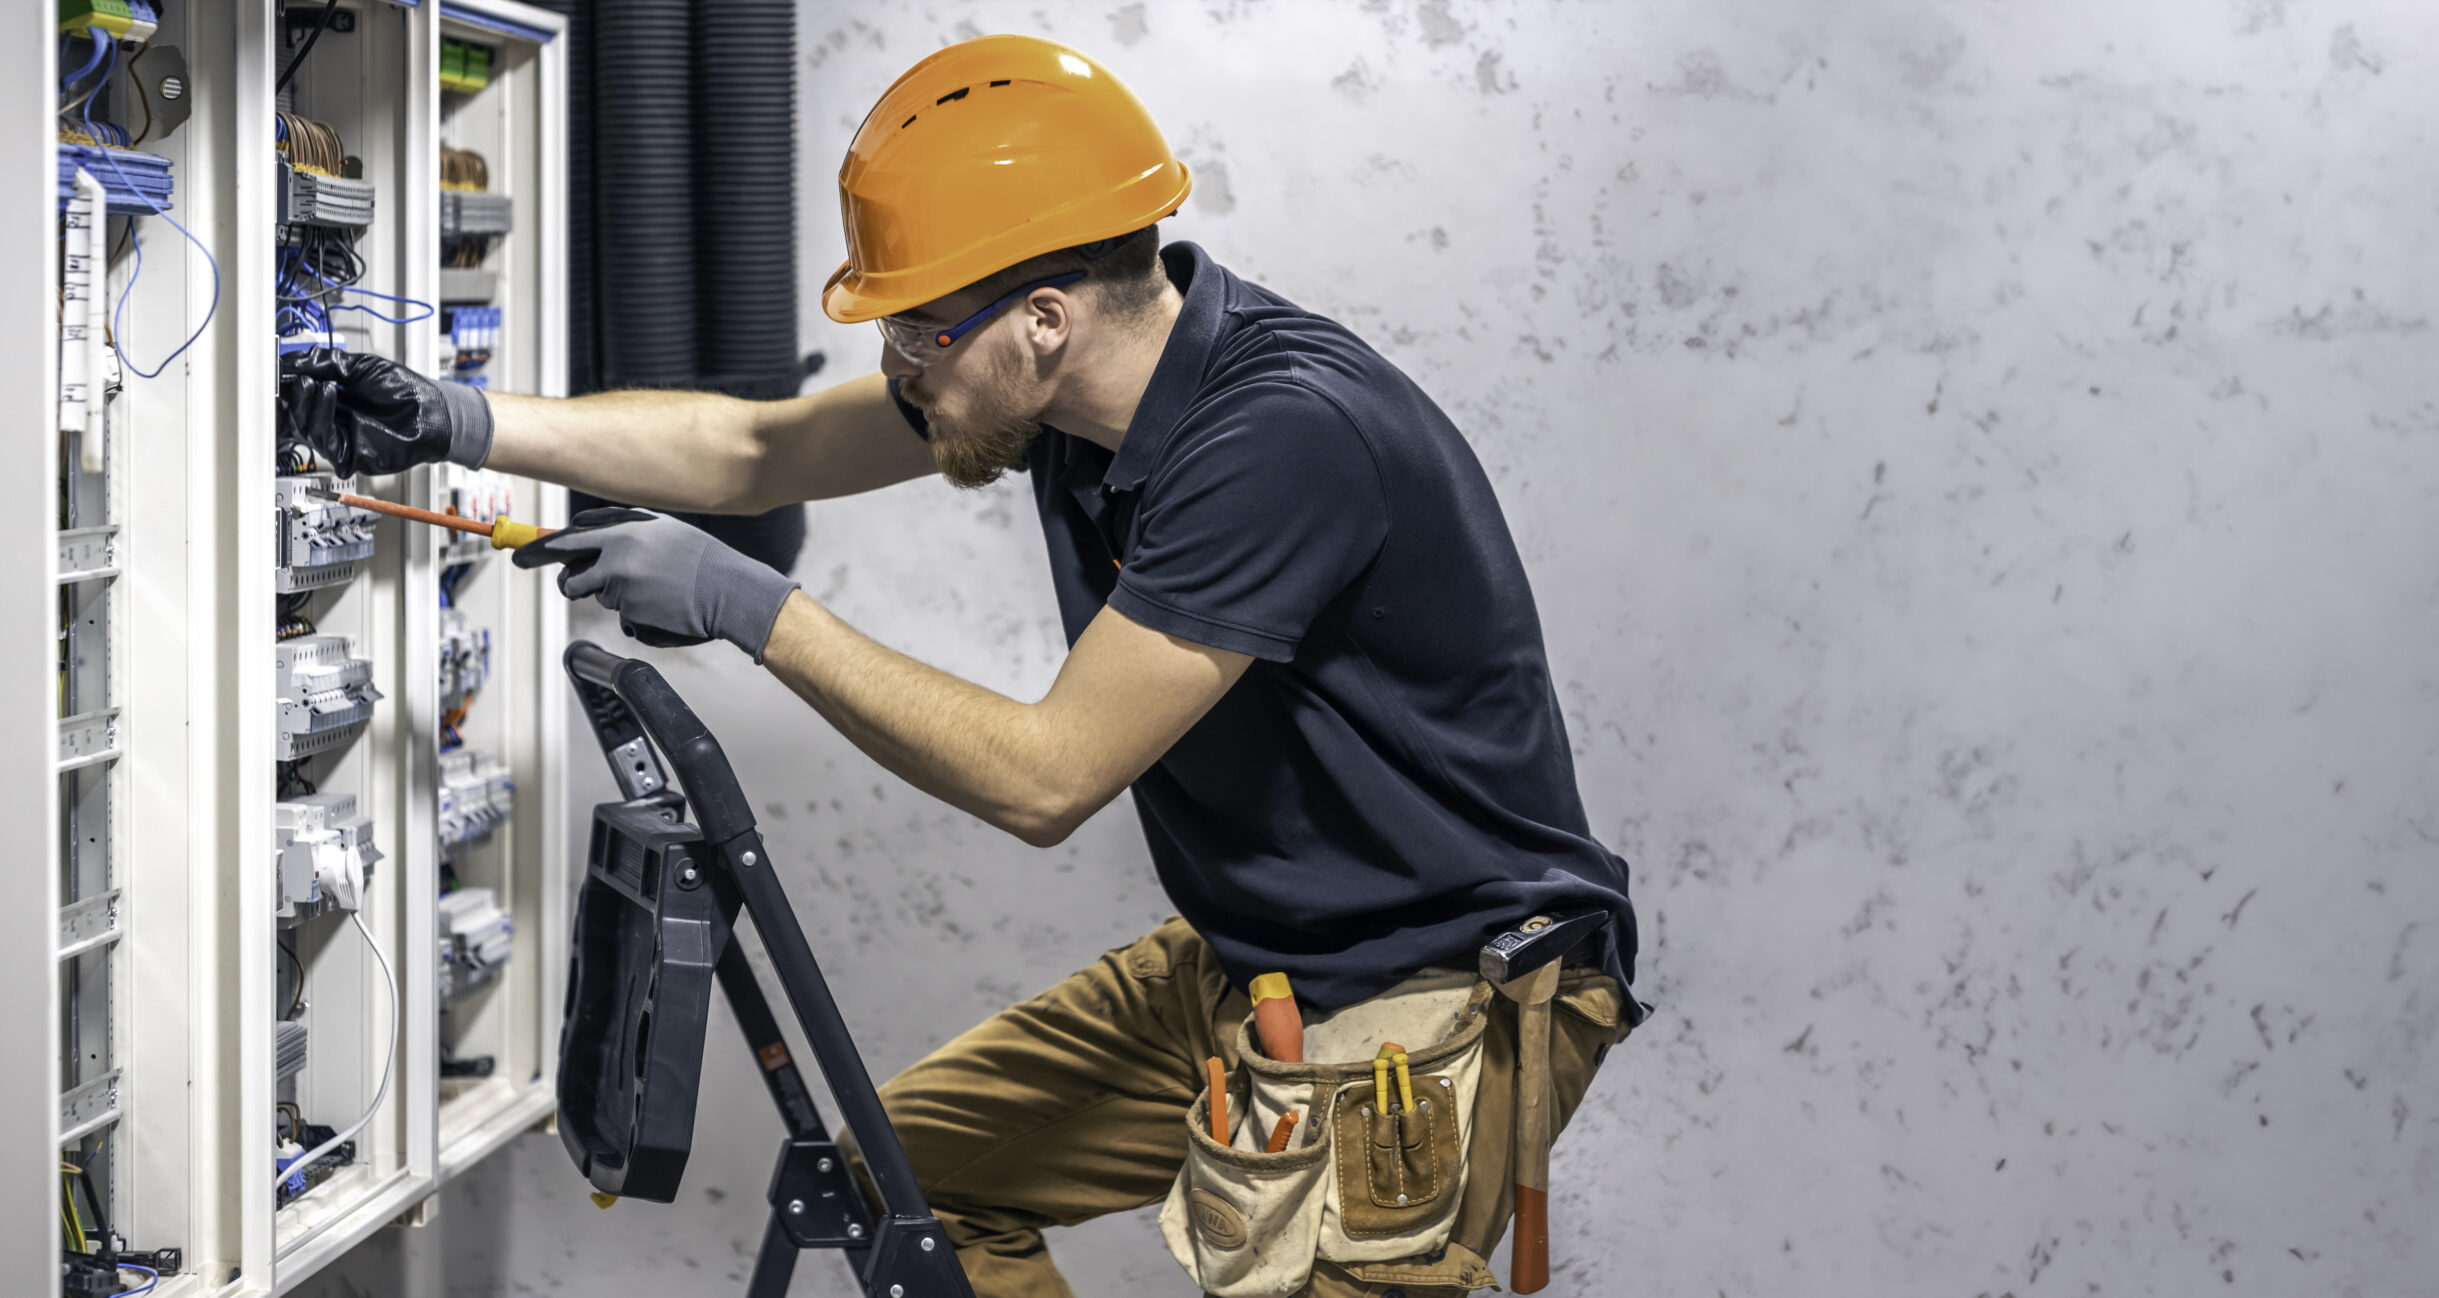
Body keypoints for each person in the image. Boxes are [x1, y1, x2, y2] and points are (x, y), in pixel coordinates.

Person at [279, 34, 1641, 1298]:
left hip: (1439, 990)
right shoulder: (1060, 392)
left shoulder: (1279, 440)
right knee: (902, 1173)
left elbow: (1046, 778)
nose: (899, 367)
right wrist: (458, 419)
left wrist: (750, 604)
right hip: (1263, 952)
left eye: (916, 333)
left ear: (1044, 318)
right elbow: (754, 451)